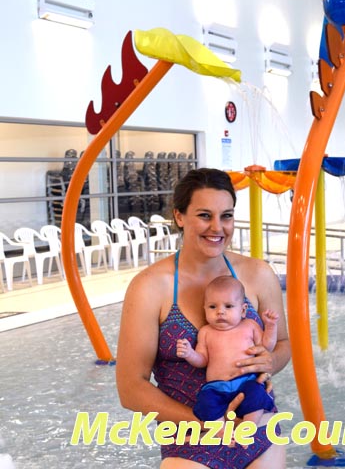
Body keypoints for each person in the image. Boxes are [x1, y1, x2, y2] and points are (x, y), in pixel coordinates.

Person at [116, 168, 290, 469]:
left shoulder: (257, 275)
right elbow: (131, 388)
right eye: (204, 215)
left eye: (227, 216)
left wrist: (270, 361)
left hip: (256, 429)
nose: (218, 227)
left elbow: (286, 344)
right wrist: (206, 423)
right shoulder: (150, 287)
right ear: (179, 216)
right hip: (189, 438)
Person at [176, 275, 279, 431]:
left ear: (243, 310)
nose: (220, 312)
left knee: (257, 393)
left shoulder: (249, 326)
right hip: (217, 386)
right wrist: (189, 353)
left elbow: (266, 347)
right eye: (212, 307)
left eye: (228, 306)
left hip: (246, 381)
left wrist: (271, 327)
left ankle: (249, 427)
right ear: (204, 309)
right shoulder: (206, 332)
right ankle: (221, 431)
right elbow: (202, 359)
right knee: (206, 401)